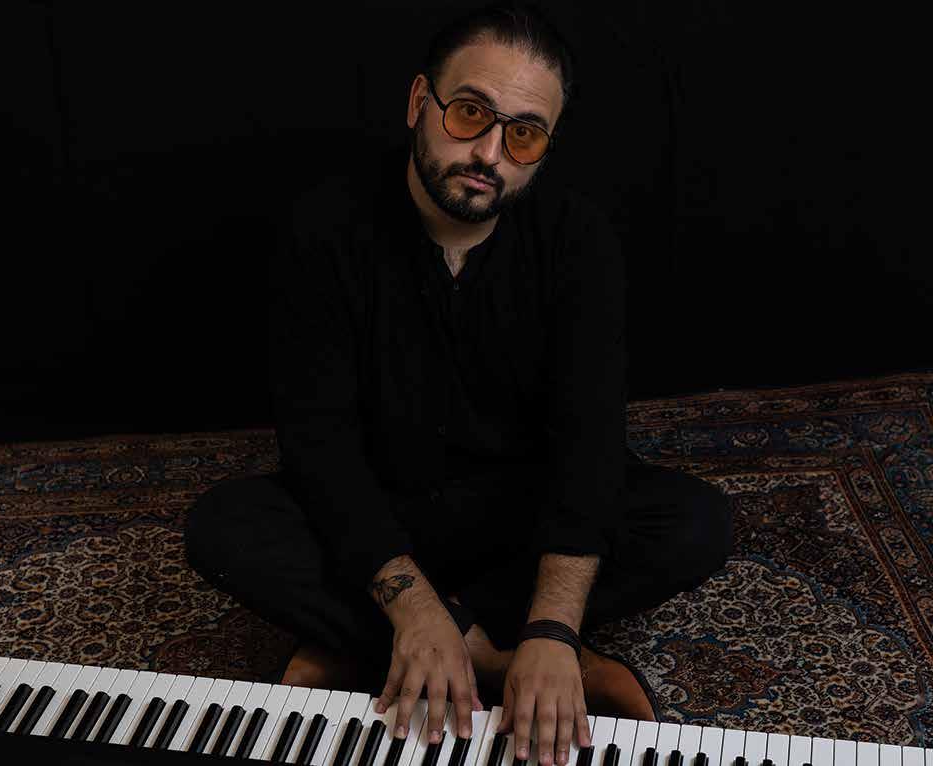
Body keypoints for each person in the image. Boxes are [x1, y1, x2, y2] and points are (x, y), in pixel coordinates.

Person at [185, 0, 732, 761]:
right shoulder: (325, 230)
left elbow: (589, 445)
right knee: (224, 527)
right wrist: (415, 609)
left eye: (524, 134)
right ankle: (488, 658)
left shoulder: (578, 241)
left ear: (544, 147)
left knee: (694, 523)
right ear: (420, 101)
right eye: (470, 112)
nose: (489, 153)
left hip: (518, 517)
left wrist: (552, 626)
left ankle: (368, 648)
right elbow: (321, 446)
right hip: (380, 515)